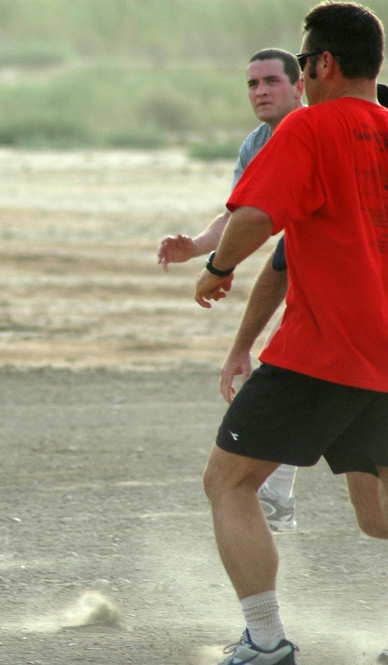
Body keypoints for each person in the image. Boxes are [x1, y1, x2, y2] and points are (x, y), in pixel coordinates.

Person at [194, 3, 388, 663]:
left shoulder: (308, 128)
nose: (300, 80)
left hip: (326, 350)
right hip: (383, 359)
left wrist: (216, 268)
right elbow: (286, 257)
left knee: (228, 481)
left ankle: (266, 639)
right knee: (377, 514)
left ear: (324, 65)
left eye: (302, 66)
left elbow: (254, 219)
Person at [158, 48, 305, 533]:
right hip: (310, 270)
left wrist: (219, 267)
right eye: (252, 84)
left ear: (299, 85)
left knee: (299, 374)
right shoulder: (257, 144)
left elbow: (259, 226)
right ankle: (277, 491)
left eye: (271, 81)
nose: (260, 91)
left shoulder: (321, 130)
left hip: (338, 270)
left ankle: (276, 491)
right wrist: (199, 246)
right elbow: (242, 214)